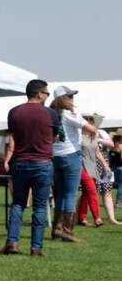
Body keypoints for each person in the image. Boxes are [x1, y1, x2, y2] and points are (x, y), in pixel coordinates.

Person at [0, 79, 57, 255]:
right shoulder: (51, 114)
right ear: (39, 93)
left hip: (20, 163)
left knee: (18, 204)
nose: (47, 96)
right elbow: (54, 137)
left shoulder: (14, 112)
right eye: (46, 93)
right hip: (42, 163)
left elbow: (14, 135)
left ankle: (12, 243)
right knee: (40, 206)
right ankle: (36, 247)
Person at [48, 86, 98, 243]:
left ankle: (57, 229)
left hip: (55, 157)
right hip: (71, 155)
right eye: (70, 96)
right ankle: (67, 232)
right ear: (63, 98)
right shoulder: (69, 114)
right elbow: (91, 128)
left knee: (60, 194)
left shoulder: (50, 114)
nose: (72, 99)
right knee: (70, 194)